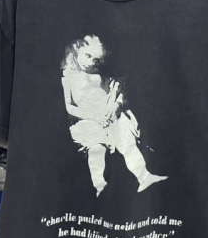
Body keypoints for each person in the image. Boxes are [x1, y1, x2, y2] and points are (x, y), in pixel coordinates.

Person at [61, 35, 168, 197]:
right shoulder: (69, 77)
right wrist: (93, 117)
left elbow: (117, 92)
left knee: (128, 144)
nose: (91, 62)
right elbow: (69, 107)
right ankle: (100, 185)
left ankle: (144, 177)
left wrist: (115, 106)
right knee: (97, 147)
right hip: (89, 119)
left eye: (96, 60)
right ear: (76, 51)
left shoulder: (100, 75)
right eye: (87, 56)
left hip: (111, 116)